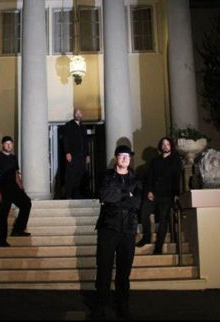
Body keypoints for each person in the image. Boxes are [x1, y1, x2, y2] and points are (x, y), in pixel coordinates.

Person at [93, 145, 142, 320]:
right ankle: (101, 306)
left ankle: (122, 305)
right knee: (104, 269)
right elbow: (105, 196)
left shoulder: (135, 177)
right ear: (116, 157)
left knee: (124, 272)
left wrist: (120, 196)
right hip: (108, 227)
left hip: (128, 229)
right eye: (121, 156)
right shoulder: (106, 176)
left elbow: (137, 203)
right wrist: (126, 195)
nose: (125, 159)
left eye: (127, 156)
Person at [136, 137, 182, 254]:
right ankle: (146, 237)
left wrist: (176, 194)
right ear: (160, 146)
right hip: (154, 193)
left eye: (167, 144)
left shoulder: (176, 160)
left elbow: (176, 178)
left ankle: (158, 246)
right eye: (163, 144)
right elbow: (149, 177)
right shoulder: (155, 160)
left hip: (167, 195)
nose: (165, 146)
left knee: (163, 220)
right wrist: (149, 191)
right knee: (144, 214)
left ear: (171, 146)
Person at [0, 136, 32, 247]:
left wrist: (21, 187)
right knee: (3, 214)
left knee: (26, 203)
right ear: (2, 145)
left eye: (10, 144)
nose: (9, 145)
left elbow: (16, 174)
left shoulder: (14, 158)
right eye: (6, 143)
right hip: (3, 189)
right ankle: (1, 241)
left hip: (14, 188)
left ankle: (18, 230)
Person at [62, 108, 90, 199]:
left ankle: (77, 194)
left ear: (82, 115)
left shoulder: (83, 127)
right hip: (73, 155)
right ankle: (68, 194)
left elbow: (86, 142)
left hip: (82, 156)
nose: (78, 115)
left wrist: (87, 155)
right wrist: (67, 152)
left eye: (79, 113)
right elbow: (66, 139)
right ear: (74, 115)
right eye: (76, 113)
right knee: (71, 175)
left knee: (80, 175)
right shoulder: (68, 125)